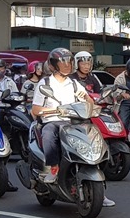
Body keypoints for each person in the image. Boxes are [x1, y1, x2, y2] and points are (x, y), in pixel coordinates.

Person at [31, 47, 114, 206]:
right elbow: (35, 110)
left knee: (95, 134)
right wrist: (54, 110)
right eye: (63, 62)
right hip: (53, 120)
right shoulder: (45, 83)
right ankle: (53, 168)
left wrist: (87, 99)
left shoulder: (74, 83)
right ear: (54, 65)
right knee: (49, 133)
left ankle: (100, 191)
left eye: (69, 62)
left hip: (74, 121)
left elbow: (89, 103)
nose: (67, 65)